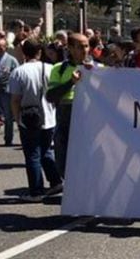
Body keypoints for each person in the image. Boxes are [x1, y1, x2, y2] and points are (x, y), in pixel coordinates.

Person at [8, 39, 62, 202]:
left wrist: (17, 118)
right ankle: (55, 181)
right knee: (46, 150)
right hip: (50, 117)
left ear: (24, 53)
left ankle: (36, 191)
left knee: (32, 155)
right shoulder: (50, 69)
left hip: (28, 117)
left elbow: (15, 99)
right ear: (40, 52)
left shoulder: (19, 72)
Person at [45, 33, 94, 179]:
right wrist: (70, 82)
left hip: (89, 121)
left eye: (87, 46)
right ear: (70, 48)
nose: (85, 50)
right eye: (80, 47)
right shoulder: (59, 68)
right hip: (66, 120)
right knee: (64, 161)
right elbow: (50, 96)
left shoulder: (98, 68)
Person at [0, 36, 20, 146]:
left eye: (1, 46)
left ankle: (8, 138)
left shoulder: (12, 60)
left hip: (6, 91)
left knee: (8, 115)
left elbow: (17, 75)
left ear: (5, 47)